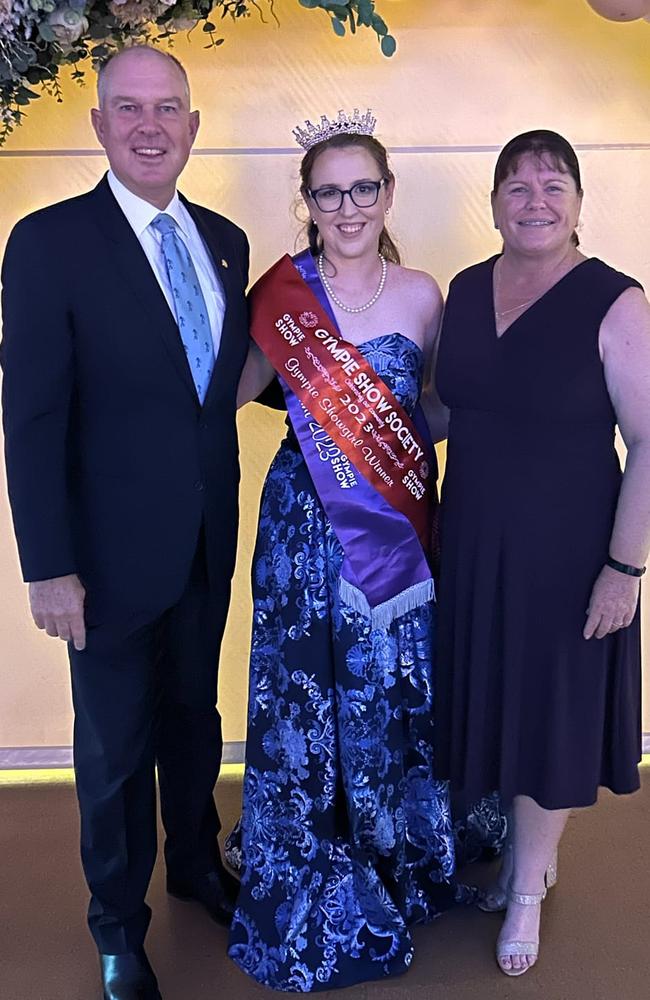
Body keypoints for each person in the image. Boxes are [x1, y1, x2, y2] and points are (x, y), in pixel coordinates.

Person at [225, 112, 504, 991]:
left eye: (363, 188)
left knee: (390, 685)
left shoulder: (425, 293)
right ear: (306, 202)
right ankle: (316, 854)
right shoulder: (280, 299)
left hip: (392, 532)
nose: (347, 206)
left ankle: (397, 851)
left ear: (389, 193)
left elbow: (435, 409)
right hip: (303, 532)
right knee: (305, 685)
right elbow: (219, 400)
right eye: (328, 191)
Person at [1, 46, 250, 1000]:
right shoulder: (48, 241)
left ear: (193, 124)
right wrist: (48, 566)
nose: (151, 127)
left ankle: (192, 864)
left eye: (169, 109)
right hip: (99, 562)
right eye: (129, 109)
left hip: (202, 545)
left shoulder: (225, 239)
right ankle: (117, 927)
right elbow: (30, 420)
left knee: (195, 721)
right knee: (111, 755)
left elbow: (225, 385)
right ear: (100, 125)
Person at [434, 129, 650, 977]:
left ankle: (526, 886)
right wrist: (343, 424)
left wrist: (624, 568)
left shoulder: (616, 300)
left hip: (570, 556)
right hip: (475, 545)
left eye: (553, 185)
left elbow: (648, 439)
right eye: (516, 187)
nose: (534, 200)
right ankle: (530, 859)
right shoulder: (463, 288)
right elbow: (449, 408)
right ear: (492, 205)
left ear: (579, 204)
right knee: (498, 703)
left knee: (547, 715)